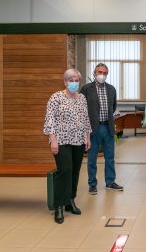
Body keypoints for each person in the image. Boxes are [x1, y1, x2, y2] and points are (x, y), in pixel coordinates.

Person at [44, 69, 91, 224]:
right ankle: (59, 206)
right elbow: (50, 119)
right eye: (71, 79)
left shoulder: (82, 98)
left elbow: (85, 118)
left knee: (75, 171)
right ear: (65, 82)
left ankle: (70, 201)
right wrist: (53, 139)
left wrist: (87, 136)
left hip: (78, 139)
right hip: (61, 140)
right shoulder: (56, 97)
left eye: (76, 80)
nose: (74, 82)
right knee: (65, 170)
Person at [80, 63, 123, 195]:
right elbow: (82, 108)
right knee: (92, 157)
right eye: (99, 72)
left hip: (108, 126)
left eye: (104, 73)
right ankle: (92, 184)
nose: (102, 75)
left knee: (110, 157)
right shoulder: (86, 88)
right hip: (93, 128)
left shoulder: (111, 89)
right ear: (94, 73)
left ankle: (110, 181)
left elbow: (114, 106)